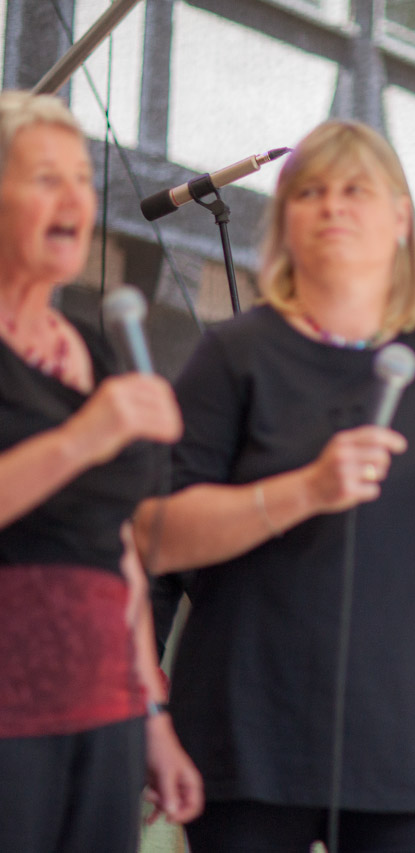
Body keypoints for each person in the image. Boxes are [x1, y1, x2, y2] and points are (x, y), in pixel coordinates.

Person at [134, 119, 415, 852]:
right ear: (285, 223)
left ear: (401, 220)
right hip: (248, 741)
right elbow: (158, 537)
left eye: (356, 190)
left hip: (410, 748)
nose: (333, 207)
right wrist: (304, 490)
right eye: (310, 193)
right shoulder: (233, 356)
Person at [0, 90, 203, 852]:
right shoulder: (97, 408)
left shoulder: (95, 351)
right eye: (44, 177)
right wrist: (86, 436)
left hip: (104, 704)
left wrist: (152, 715)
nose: (73, 198)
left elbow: (116, 549)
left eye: (83, 180)